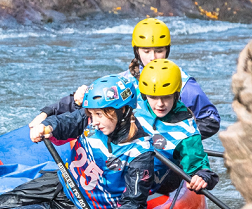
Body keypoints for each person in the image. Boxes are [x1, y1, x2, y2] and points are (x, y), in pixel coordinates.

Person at [0, 75, 154, 209]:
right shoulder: (90, 119)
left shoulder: (140, 153)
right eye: (92, 114)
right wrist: (47, 127)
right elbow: (67, 122)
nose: (94, 121)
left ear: (122, 111)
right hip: (58, 183)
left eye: (100, 115)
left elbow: (135, 202)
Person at [29, 18, 221, 139]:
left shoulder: (184, 84)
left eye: (159, 51)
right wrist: (48, 112)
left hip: (161, 152)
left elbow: (210, 120)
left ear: (167, 51)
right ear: (137, 51)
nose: (153, 57)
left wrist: (173, 137)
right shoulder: (127, 79)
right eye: (146, 51)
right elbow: (94, 97)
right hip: (127, 145)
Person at [135, 59, 218, 194]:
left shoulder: (186, 130)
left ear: (176, 94)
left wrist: (202, 176)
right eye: (153, 97)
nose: (160, 104)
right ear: (144, 94)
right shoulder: (130, 107)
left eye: (166, 97)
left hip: (158, 183)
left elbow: (197, 165)